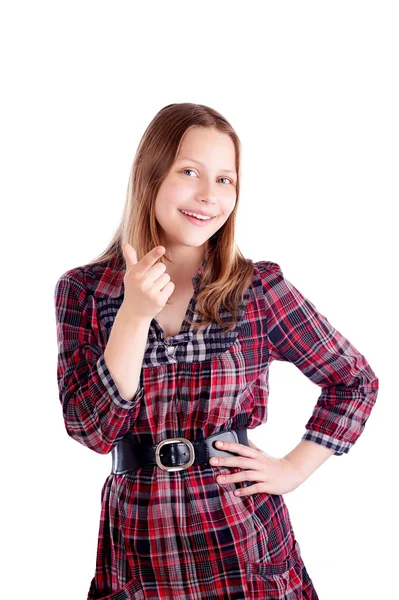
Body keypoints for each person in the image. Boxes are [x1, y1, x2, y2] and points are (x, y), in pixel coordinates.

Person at [54, 103, 379, 600]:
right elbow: (91, 430)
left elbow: (355, 380)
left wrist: (293, 468)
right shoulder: (84, 291)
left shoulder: (258, 289)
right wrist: (134, 314)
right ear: (151, 175)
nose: (209, 196)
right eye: (189, 172)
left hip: (245, 547)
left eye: (226, 179)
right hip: (141, 553)